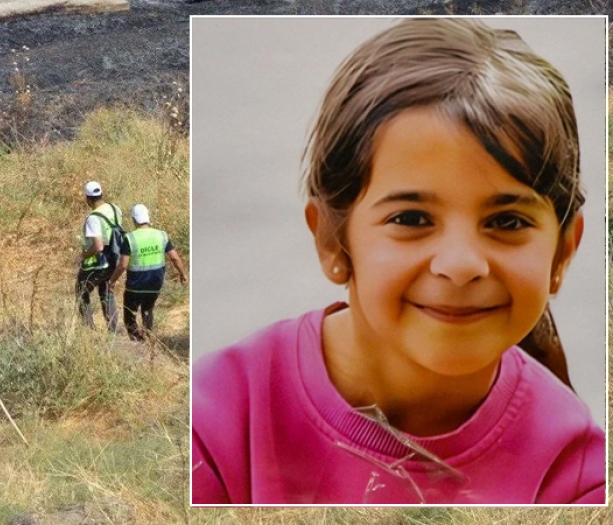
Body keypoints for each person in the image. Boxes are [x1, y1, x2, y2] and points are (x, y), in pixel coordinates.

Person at [192, 18, 604, 504]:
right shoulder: (216, 421)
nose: (461, 265)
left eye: (507, 222)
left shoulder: (577, 475)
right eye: (411, 218)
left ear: (563, 251)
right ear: (331, 239)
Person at [108, 204, 187, 341]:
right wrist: (182, 274)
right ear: (148, 218)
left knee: (129, 315)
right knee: (148, 310)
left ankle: (138, 342)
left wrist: (112, 281)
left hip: (135, 286)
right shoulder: (161, 235)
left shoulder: (130, 238)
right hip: (155, 284)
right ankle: (148, 337)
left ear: (134, 220)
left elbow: (122, 265)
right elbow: (174, 257)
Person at [76, 181, 121, 331]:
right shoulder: (115, 209)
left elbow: (98, 245)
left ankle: (88, 330)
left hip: (101, 262)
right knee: (106, 291)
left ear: (87, 198)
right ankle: (114, 330)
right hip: (115, 258)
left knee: (82, 290)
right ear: (101, 194)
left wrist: (83, 256)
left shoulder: (93, 218)